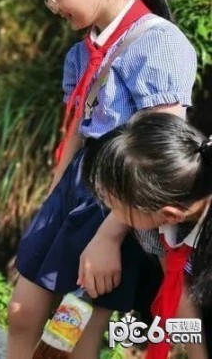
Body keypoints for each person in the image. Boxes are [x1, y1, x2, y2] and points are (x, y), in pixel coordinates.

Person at [7, 0, 198, 358]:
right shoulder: (82, 51)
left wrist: (111, 236)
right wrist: (50, 200)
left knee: (74, 332)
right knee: (22, 311)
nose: (54, 7)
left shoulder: (159, 43)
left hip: (121, 195)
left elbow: (156, 155)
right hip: (75, 186)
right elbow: (76, 128)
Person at [82, 111, 212, 359]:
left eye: (114, 203)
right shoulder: (159, 227)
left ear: (171, 214)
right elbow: (180, 289)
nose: (109, 210)